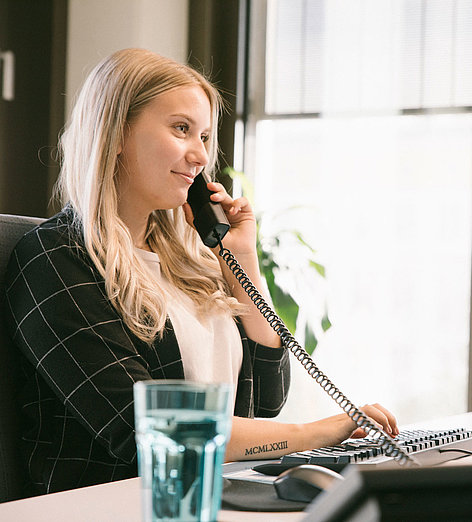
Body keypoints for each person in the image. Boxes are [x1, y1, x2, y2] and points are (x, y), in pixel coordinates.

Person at [2, 48, 398, 496]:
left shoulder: (190, 262)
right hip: (119, 504)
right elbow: (151, 432)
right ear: (114, 133)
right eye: (181, 129)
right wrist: (316, 434)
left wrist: (242, 259)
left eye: (205, 136)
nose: (199, 156)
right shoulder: (56, 259)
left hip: (216, 496)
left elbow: (268, 396)